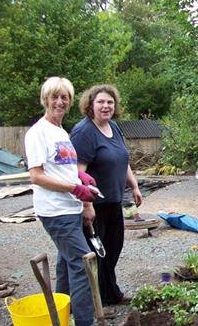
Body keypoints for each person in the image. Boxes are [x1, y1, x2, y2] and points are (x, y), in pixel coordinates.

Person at [25, 77, 96, 326]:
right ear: (45, 99)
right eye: (54, 97)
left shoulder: (61, 132)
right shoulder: (38, 132)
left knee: (67, 264)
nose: (59, 102)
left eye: (64, 97)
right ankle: (85, 322)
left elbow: (61, 167)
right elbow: (36, 176)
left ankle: (60, 317)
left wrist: (80, 176)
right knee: (83, 264)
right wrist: (76, 188)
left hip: (70, 208)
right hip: (55, 211)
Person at [70, 84, 142, 305]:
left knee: (112, 249)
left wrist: (134, 185)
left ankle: (110, 294)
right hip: (95, 206)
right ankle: (95, 302)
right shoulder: (84, 133)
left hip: (113, 201)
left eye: (110, 102)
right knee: (96, 255)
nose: (106, 106)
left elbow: (123, 159)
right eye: (101, 101)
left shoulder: (114, 127)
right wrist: (86, 205)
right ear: (90, 104)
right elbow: (77, 173)